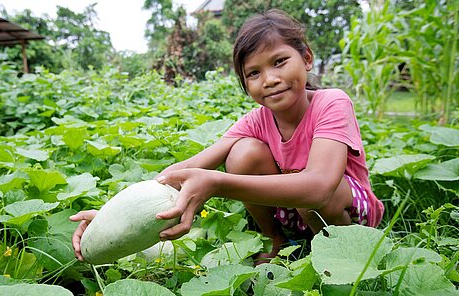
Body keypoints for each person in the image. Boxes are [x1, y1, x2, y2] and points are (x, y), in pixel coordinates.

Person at [71, 9, 384, 263]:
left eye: (279, 62)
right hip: (296, 210)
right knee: (243, 153)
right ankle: (279, 242)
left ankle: (341, 259)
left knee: (311, 199)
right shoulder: (255, 121)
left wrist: (217, 184)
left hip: (348, 214)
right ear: (246, 85)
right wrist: (109, 216)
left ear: (306, 58)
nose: (270, 79)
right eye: (254, 73)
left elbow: (318, 188)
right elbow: (174, 176)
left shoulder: (331, 102)